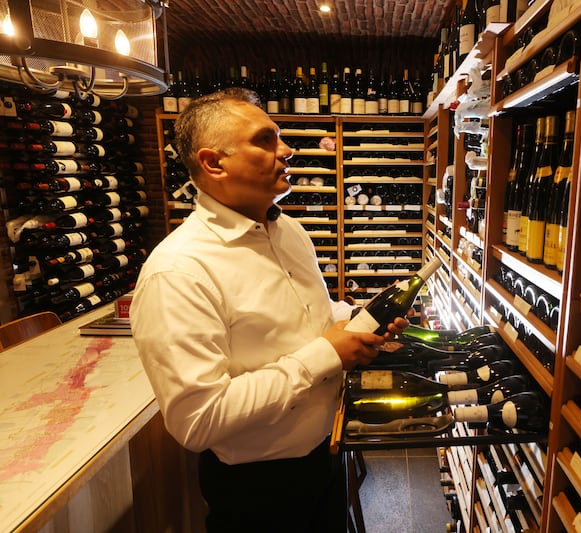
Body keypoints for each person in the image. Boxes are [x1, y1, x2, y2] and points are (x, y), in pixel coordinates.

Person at [130, 87, 409, 532]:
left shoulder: (289, 231)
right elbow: (197, 422)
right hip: (257, 490)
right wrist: (326, 353)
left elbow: (313, 316)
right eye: (265, 140)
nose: (287, 149)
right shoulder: (178, 272)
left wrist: (357, 320)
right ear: (213, 163)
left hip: (326, 455)